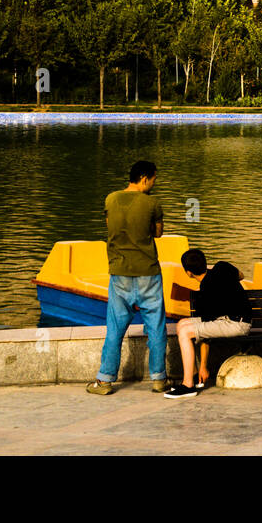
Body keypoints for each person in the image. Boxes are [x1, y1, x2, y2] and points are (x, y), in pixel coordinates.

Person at [87, 160, 168, 395]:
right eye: (153, 179)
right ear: (144, 178)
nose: (154, 183)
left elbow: (110, 226)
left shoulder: (111, 199)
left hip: (120, 272)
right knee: (156, 327)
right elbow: (158, 233)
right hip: (148, 272)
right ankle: (159, 379)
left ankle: (104, 380)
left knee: (114, 328)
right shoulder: (152, 202)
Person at [164, 248, 253, 399]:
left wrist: (204, 366)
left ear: (189, 273)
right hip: (234, 320)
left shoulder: (204, 292)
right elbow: (241, 275)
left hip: (236, 324)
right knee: (182, 324)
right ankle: (192, 375)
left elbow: (205, 334)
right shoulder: (222, 267)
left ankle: (188, 385)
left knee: (186, 332)